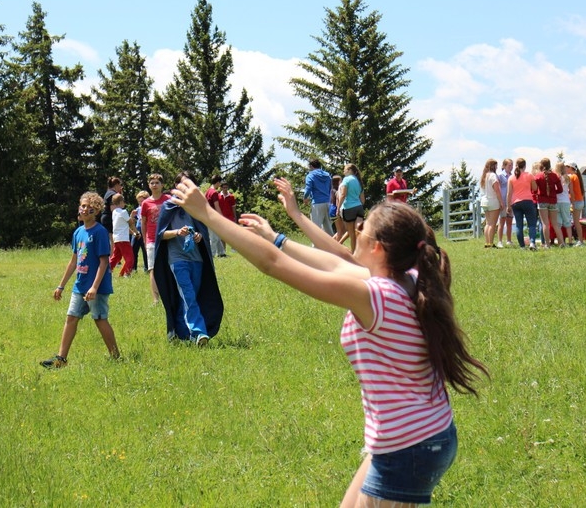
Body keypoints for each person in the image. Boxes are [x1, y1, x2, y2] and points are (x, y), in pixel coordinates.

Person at [169, 176, 488, 507]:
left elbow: (273, 265)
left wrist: (207, 214)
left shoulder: (375, 295)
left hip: (408, 445)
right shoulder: (408, 279)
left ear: (378, 248)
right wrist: (277, 237)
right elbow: (339, 261)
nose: (356, 235)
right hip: (423, 433)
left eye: (361, 232)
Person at [40, 192, 120, 368]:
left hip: (95, 287)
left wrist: (94, 287)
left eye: (89, 208)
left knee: (99, 318)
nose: (85, 209)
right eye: (82, 206)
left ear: (96, 211)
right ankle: (61, 359)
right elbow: (74, 261)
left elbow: (104, 261)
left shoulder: (99, 232)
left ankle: (116, 357)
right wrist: (61, 286)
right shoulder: (78, 232)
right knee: (71, 318)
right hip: (80, 285)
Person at [154, 171, 224, 345]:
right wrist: (177, 232)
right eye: (183, 184)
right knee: (189, 295)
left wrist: (198, 236)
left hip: (197, 259)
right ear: (176, 187)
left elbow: (203, 231)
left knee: (188, 297)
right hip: (177, 259)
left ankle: (181, 335)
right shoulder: (168, 206)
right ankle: (200, 333)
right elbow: (160, 235)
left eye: (190, 184)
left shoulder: (197, 208)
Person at [140, 173, 171, 304]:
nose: (154, 185)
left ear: (162, 185)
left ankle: (170, 294)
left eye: (157, 183)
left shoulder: (168, 199)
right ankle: (156, 299)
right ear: (149, 185)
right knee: (152, 268)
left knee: (169, 266)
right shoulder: (146, 203)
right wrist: (145, 239)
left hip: (168, 238)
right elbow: (143, 222)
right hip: (152, 240)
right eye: (152, 183)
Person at [506, 158, 539, 250]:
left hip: (516, 203)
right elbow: (535, 188)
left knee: (518, 225)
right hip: (528, 201)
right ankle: (532, 242)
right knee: (532, 224)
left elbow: (509, 193)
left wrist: (508, 206)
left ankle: (522, 246)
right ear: (524, 166)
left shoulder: (511, 178)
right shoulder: (529, 175)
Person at [534, 157, 565, 248]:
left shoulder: (538, 176)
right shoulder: (554, 176)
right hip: (553, 201)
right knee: (555, 223)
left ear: (541, 165)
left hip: (542, 200)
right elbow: (560, 189)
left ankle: (547, 244)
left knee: (545, 223)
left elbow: (534, 189)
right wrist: (553, 193)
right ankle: (561, 243)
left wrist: (539, 194)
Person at [339, 164, 366, 252]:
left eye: (345, 169)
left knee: (352, 235)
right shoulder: (359, 181)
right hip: (359, 208)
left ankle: (354, 254)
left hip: (349, 208)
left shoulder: (346, 179)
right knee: (358, 231)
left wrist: (338, 208)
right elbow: (363, 200)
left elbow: (343, 195)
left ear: (350, 170)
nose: (343, 171)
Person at [304, 158, 334, 236]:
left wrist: (305, 198)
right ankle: (333, 246)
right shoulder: (327, 175)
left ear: (311, 166)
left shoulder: (310, 175)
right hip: (328, 202)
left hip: (317, 203)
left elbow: (308, 189)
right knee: (328, 228)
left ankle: (315, 247)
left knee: (315, 228)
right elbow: (331, 188)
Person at [109, 193, 136, 277]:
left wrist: (133, 233)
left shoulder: (114, 212)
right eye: (123, 201)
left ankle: (107, 270)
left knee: (116, 257)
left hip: (116, 238)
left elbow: (123, 225)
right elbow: (130, 223)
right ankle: (126, 274)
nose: (124, 203)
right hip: (123, 239)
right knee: (130, 258)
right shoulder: (123, 212)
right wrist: (132, 215)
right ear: (120, 202)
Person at [479, 159, 504, 248]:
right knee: (492, 224)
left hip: (484, 201)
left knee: (488, 223)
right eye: (496, 165)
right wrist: (501, 202)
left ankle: (487, 242)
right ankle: (490, 243)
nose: (497, 167)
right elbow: (497, 190)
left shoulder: (484, 176)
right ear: (493, 166)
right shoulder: (493, 176)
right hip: (493, 201)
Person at [204, 174, 227, 257]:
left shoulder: (207, 191)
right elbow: (216, 206)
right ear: (217, 182)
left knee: (216, 236)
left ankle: (221, 253)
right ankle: (211, 255)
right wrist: (221, 217)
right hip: (212, 217)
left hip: (207, 216)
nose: (220, 185)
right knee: (213, 238)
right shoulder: (214, 193)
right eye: (219, 183)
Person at [566, 162, 586, 246]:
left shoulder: (571, 177)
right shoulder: (576, 176)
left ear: (571, 168)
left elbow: (571, 191)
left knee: (576, 222)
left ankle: (580, 241)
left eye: (567, 167)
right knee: (576, 221)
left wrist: (572, 202)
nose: (566, 169)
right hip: (580, 201)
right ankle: (580, 240)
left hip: (576, 201)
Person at [554, 162, 574, 245]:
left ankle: (560, 241)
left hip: (557, 201)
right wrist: (572, 202)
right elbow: (571, 192)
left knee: (558, 223)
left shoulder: (556, 178)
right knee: (567, 222)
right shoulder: (568, 178)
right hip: (566, 201)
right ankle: (570, 241)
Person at [100, 177, 123, 245]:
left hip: (105, 217)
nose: (120, 187)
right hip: (109, 218)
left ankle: (111, 254)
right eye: (120, 185)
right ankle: (111, 255)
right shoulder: (113, 194)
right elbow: (113, 208)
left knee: (110, 238)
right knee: (111, 239)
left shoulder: (108, 192)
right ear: (116, 185)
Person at [130, 190, 150, 272]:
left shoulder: (148, 208)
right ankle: (133, 268)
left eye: (142, 201)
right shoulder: (138, 209)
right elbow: (130, 222)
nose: (140, 203)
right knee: (133, 248)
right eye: (139, 202)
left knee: (145, 249)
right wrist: (132, 216)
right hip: (137, 230)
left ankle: (147, 268)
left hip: (145, 229)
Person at [497, 158, 514, 247]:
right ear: (504, 166)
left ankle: (509, 240)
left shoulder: (513, 176)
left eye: (512, 165)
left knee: (509, 221)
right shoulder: (500, 175)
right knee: (502, 220)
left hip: (510, 201)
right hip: (503, 200)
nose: (511, 167)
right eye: (509, 165)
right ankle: (499, 241)